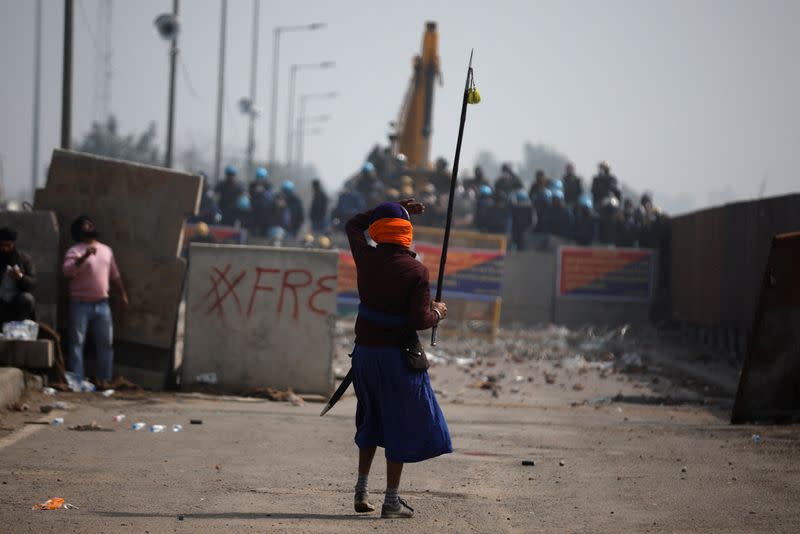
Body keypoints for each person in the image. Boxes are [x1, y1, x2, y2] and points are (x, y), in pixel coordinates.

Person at [345, 200, 451, 519]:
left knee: (370, 418)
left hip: (364, 357)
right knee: (398, 424)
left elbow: (352, 224)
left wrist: (382, 208)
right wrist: (438, 313)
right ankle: (391, 499)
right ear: (407, 234)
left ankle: (361, 490)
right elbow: (420, 320)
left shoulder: (365, 257)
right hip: (397, 360)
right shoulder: (416, 271)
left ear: (377, 232)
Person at [62, 216, 128, 386]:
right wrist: (84, 257)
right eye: (86, 226)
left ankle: (104, 379)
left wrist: (122, 294)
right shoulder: (75, 251)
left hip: (102, 303)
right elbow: (68, 272)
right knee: (77, 343)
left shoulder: (106, 250)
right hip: (80, 303)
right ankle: (76, 379)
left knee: (106, 343)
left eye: (91, 224)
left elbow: (114, 275)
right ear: (79, 232)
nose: (90, 227)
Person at [0, 227, 37, 325]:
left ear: (13, 244)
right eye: (2, 245)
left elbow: (33, 284)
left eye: (8, 245)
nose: (4, 248)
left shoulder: (23, 259)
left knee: (27, 299)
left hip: (16, 299)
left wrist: (20, 277)